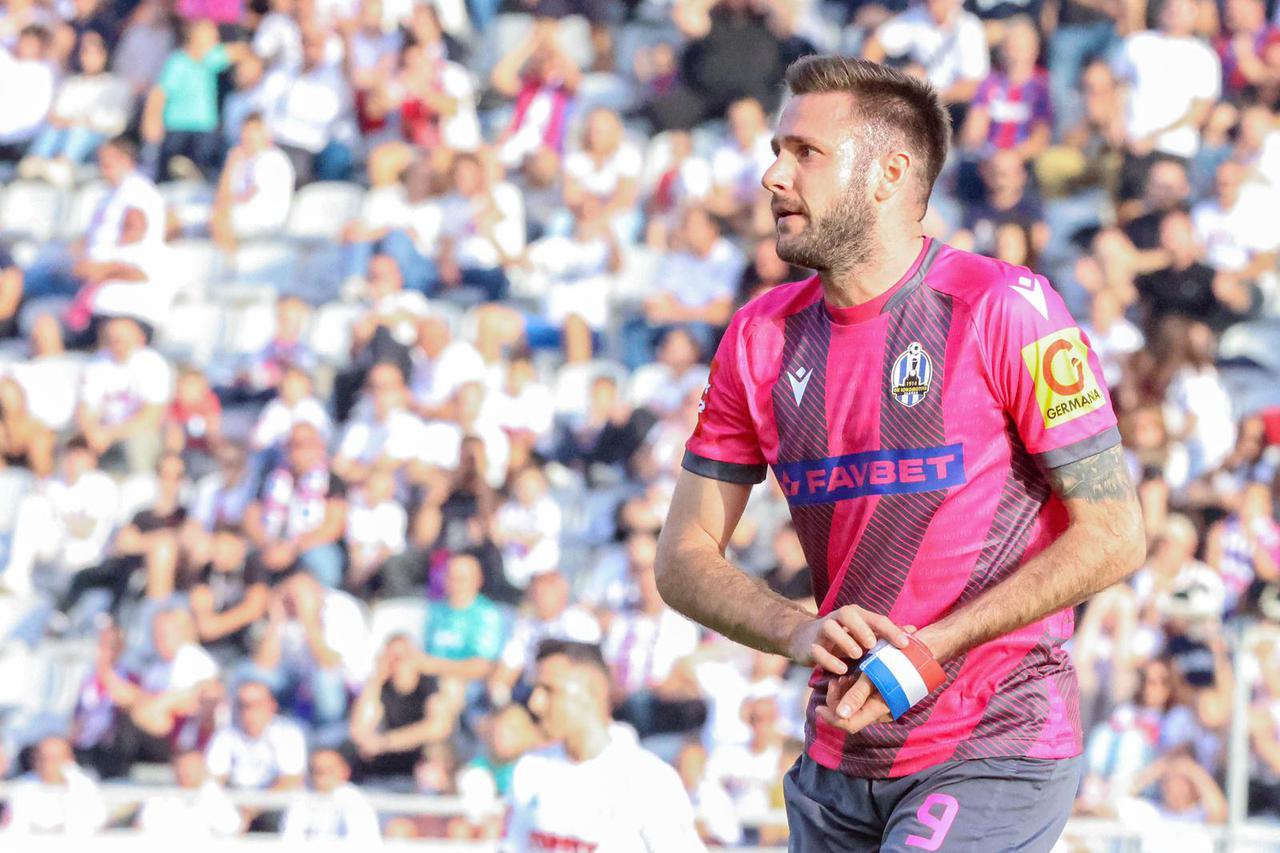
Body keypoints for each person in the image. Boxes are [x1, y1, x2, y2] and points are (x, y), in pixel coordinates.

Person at [656, 56, 1146, 852]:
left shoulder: (1005, 307)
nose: (774, 175)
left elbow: (1115, 534)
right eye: (777, 150)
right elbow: (682, 557)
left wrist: (931, 648)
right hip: (840, 752)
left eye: (805, 153)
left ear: (888, 174)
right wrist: (795, 630)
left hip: (994, 736)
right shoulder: (758, 336)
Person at [502, 640, 705, 851]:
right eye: (535, 690)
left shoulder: (648, 779)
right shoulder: (530, 768)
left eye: (549, 690)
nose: (535, 703)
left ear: (594, 689)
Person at [280, 747, 382, 841]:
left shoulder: (356, 800)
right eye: (317, 770)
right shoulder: (300, 798)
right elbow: (290, 839)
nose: (322, 774)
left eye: (329, 769)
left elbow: (359, 842)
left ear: (345, 771)